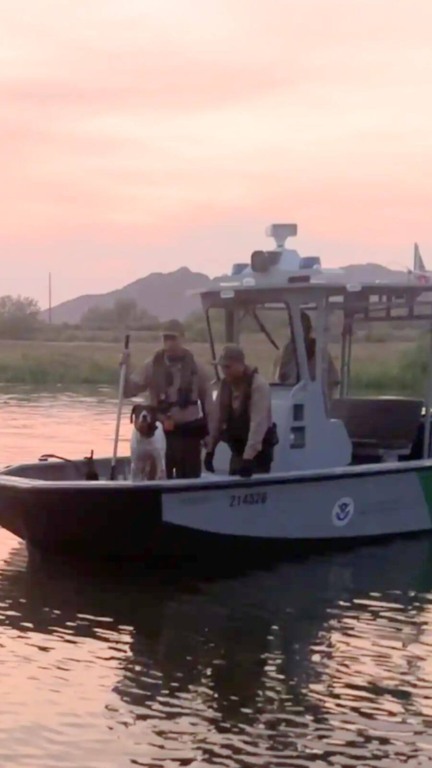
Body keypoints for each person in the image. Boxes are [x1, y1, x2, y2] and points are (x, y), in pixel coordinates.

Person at [122, 319, 213, 479]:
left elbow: (209, 405)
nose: (169, 343)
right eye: (166, 338)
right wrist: (125, 368)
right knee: (156, 477)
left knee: (189, 478)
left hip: (188, 434)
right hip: (158, 433)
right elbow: (128, 392)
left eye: (173, 338)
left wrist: (210, 435)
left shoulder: (197, 368)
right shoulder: (151, 366)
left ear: (182, 338)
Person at [204, 345, 277, 478]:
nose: (224, 371)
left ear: (240, 365)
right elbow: (217, 418)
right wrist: (210, 450)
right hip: (238, 450)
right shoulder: (225, 385)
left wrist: (248, 458)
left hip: (258, 453)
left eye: (228, 367)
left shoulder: (258, 386)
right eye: (222, 367)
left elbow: (258, 424)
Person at [276, 311, 339, 401]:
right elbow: (282, 377)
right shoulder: (288, 350)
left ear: (308, 329)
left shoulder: (320, 351)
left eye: (302, 328)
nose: (296, 331)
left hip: (316, 399)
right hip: (292, 398)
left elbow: (333, 380)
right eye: (294, 328)